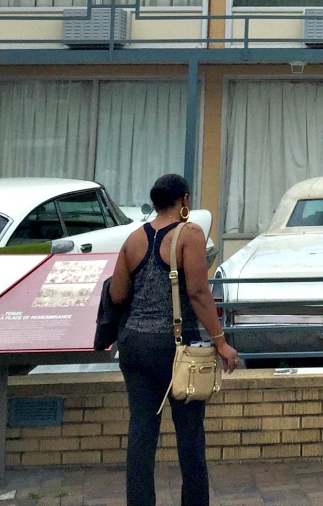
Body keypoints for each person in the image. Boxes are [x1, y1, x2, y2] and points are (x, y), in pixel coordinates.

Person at [107, 173, 239, 505]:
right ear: (185, 200)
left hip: (135, 345)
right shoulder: (189, 233)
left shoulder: (134, 238)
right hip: (176, 347)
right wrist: (220, 341)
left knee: (141, 432)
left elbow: (118, 293)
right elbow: (197, 291)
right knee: (190, 436)